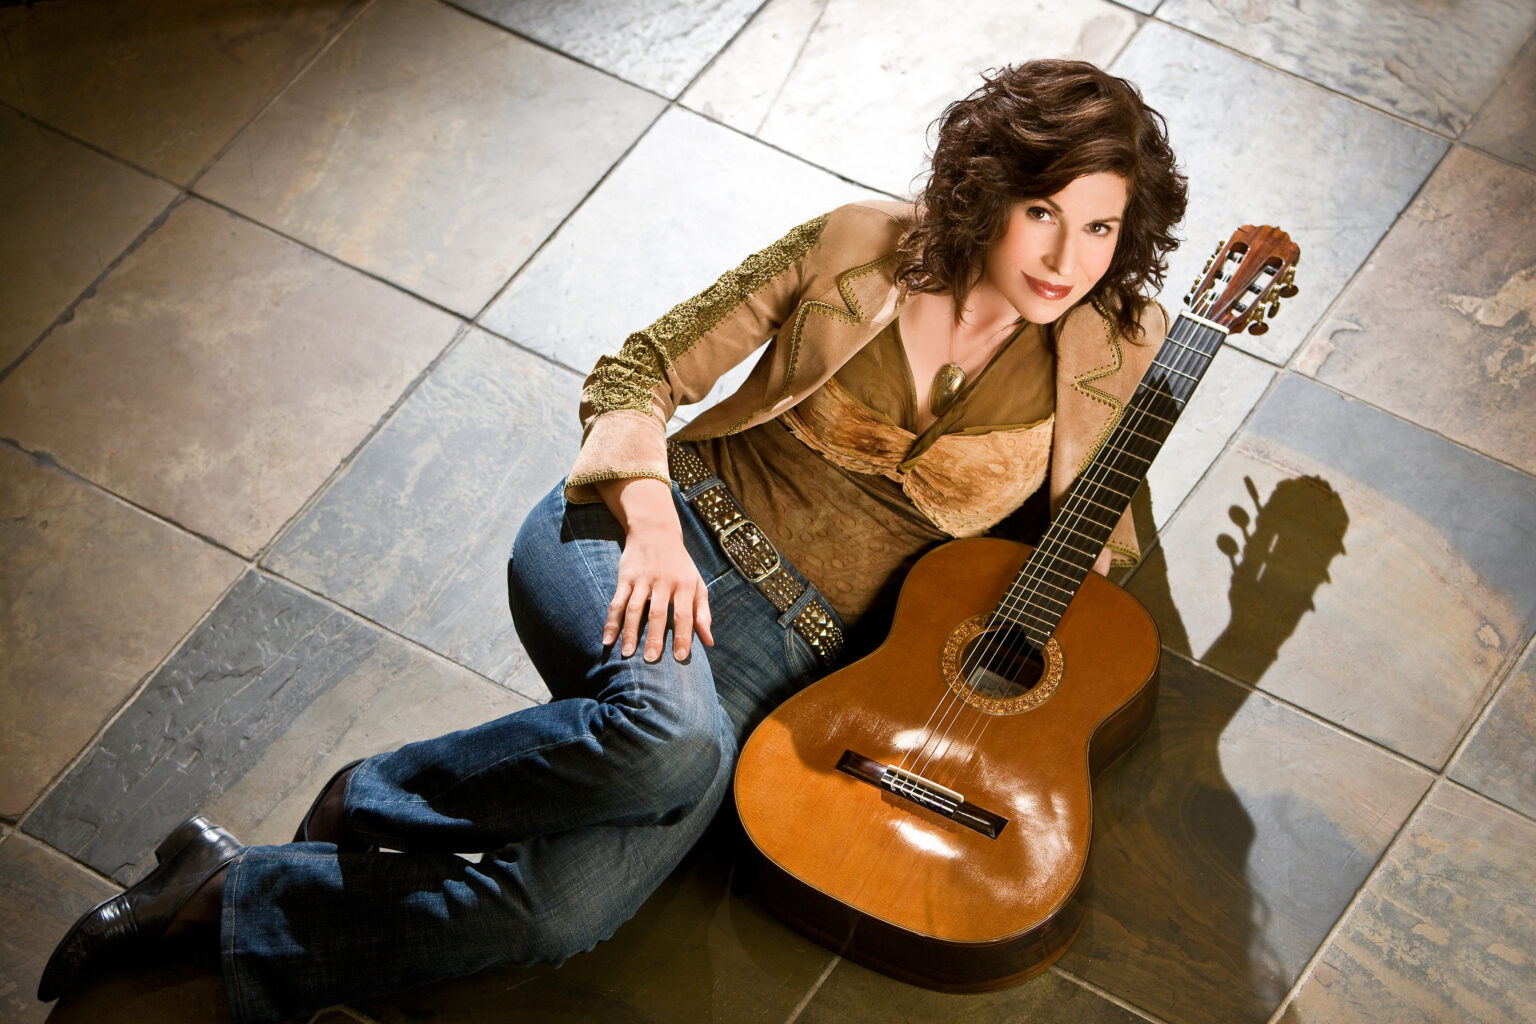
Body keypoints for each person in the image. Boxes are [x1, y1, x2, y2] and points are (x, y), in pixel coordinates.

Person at [39, 58, 1186, 1023]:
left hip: (804, 663)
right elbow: (638, 372)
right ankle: (376, 802)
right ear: (991, 188)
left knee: (563, 915)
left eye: (1099, 227)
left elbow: (1101, 552)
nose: (1065, 256)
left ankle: (242, 891)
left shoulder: (1108, 349)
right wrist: (646, 524)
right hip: (653, 537)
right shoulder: (858, 243)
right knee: (668, 734)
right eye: (1044, 211)